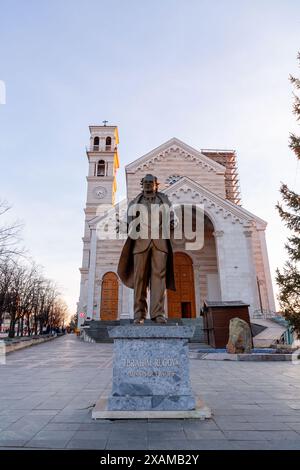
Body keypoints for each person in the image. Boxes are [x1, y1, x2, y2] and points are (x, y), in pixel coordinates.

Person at [117, 174, 177, 324]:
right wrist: (124, 227)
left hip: (160, 243)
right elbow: (128, 221)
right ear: (142, 184)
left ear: (157, 184)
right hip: (140, 243)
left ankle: (158, 314)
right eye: (145, 182)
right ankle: (139, 314)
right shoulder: (135, 202)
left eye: (151, 182)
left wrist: (171, 224)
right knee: (140, 279)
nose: (148, 184)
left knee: (159, 279)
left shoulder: (164, 200)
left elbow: (172, 217)